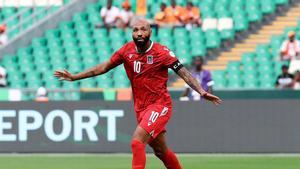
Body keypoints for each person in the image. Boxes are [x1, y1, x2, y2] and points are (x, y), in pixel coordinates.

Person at [54, 18, 222, 169]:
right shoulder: (126, 51)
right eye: (135, 30)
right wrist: (75, 77)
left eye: (143, 29)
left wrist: (201, 91)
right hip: (141, 109)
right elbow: (103, 67)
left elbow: (184, 72)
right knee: (160, 151)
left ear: (150, 32)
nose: (139, 33)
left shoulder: (162, 52)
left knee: (136, 141)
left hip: (160, 106)